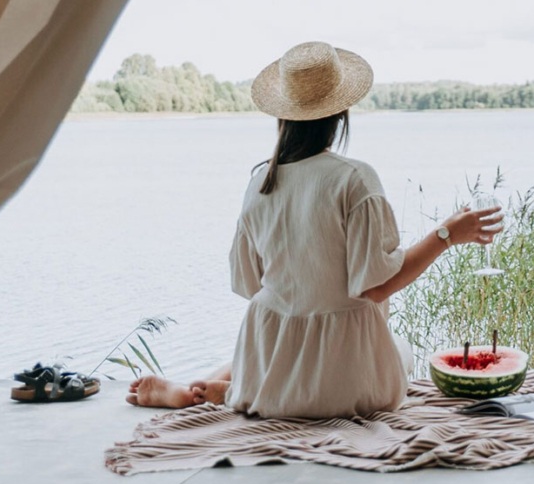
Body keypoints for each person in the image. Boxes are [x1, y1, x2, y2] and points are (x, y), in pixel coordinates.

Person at [127, 41, 502, 417]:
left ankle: (214, 387)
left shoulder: (259, 183)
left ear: (283, 114)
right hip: (345, 386)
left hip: (269, 375)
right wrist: (446, 235)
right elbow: (376, 286)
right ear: (341, 112)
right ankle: (225, 386)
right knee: (400, 349)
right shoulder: (354, 180)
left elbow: (247, 284)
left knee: (278, 336)